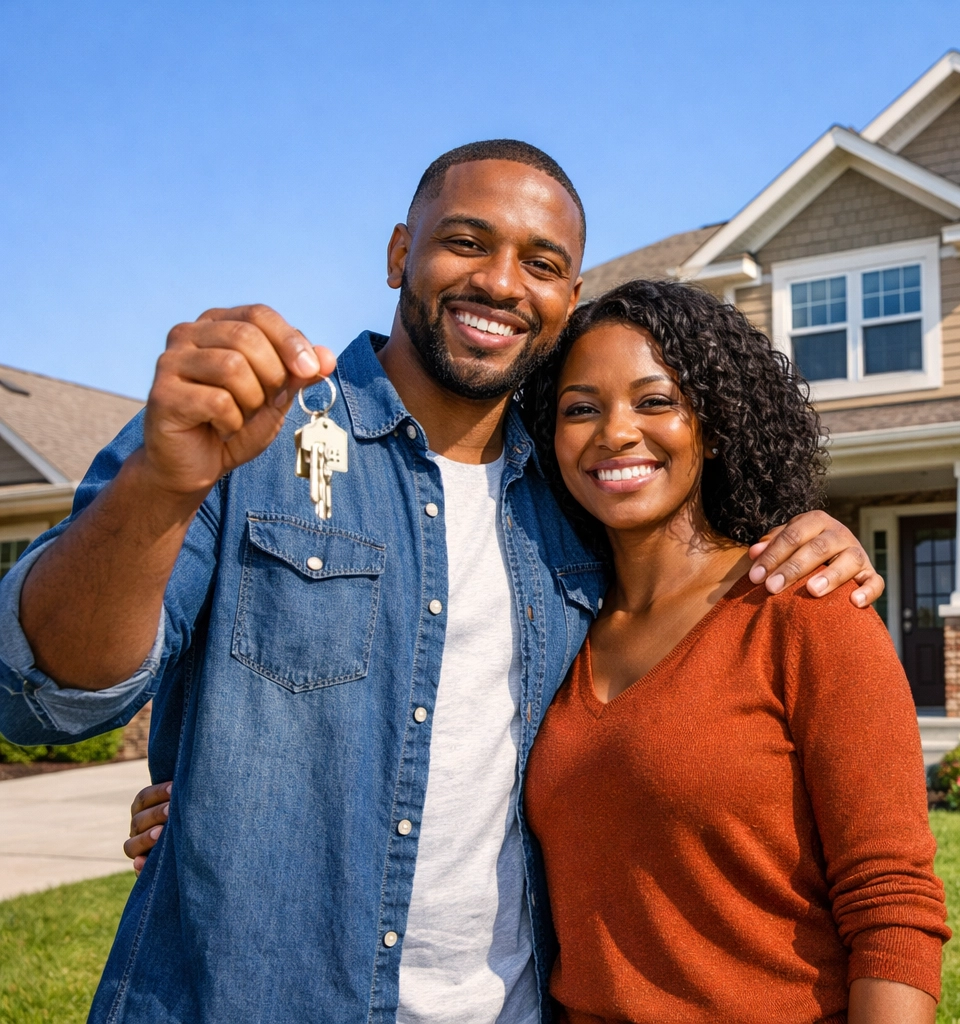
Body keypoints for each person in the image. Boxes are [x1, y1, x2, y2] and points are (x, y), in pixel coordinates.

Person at [0, 140, 883, 1024]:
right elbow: (43, 700)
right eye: (466, 242)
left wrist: (811, 533)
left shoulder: (573, 498)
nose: (500, 283)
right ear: (400, 253)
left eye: (541, 264)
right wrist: (160, 485)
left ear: (568, 297)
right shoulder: (245, 438)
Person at [521, 280, 948, 1024]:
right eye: (581, 408)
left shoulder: (805, 608)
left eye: (655, 401)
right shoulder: (558, 625)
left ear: (714, 426)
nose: (615, 432)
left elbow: (892, 905)